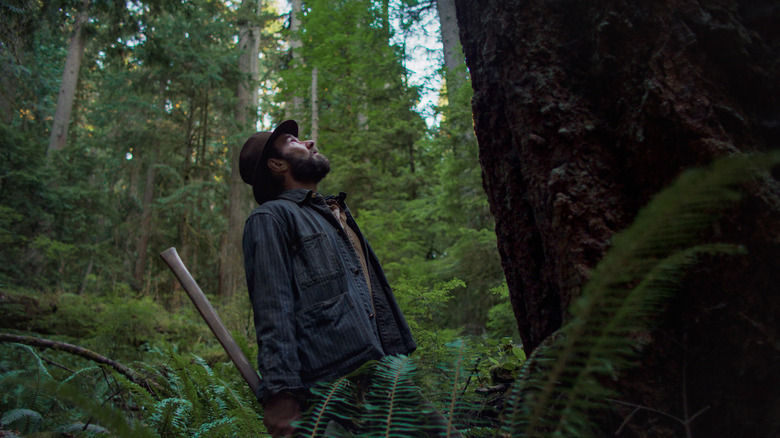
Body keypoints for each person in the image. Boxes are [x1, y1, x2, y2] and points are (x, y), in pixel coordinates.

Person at [239, 120, 417, 437]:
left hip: (382, 374)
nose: (309, 142)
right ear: (276, 164)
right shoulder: (271, 218)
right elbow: (272, 309)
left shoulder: (333, 214)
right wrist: (282, 393)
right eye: (294, 140)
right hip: (332, 389)